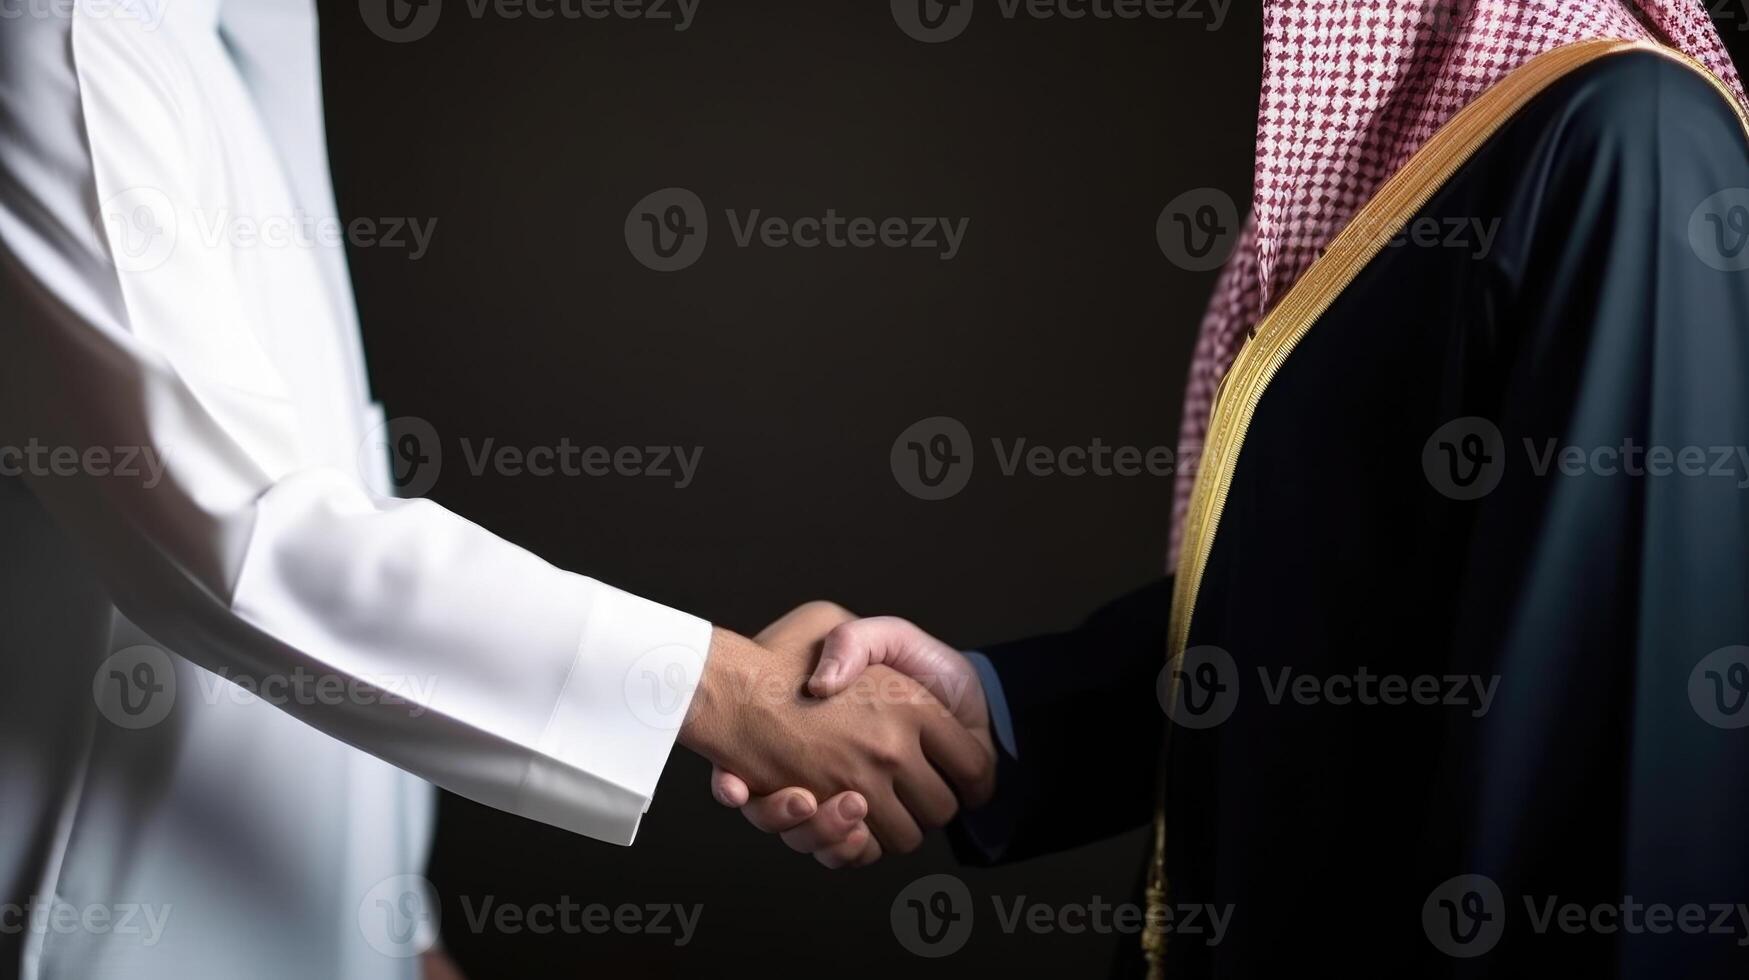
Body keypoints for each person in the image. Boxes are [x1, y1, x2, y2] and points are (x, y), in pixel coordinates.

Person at [725, 2, 1749, 977]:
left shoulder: (1631, 146)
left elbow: (1617, 775)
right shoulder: (1386, 173)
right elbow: (1323, 612)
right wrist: (990, 714)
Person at [0, 4, 988, 978]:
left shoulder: (240, 35)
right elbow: (246, 542)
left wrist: (396, 923)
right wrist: (732, 688)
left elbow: (329, 480)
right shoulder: (62, 38)